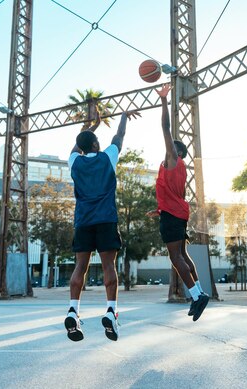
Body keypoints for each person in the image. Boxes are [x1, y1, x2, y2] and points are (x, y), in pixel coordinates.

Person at [64, 106, 140, 342]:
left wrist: (92, 127)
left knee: (80, 267)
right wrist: (124, 117)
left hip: (83, 221)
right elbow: (119, 137)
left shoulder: (74, 162)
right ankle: (110, 311)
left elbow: (77, 145)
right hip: (106, 220)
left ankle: (73, 311)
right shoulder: (108, 157)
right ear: (96, 145)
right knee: (109, 267)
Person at [147, 83, 209, 321]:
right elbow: (172, 194)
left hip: (173, 215)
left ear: (176, 151)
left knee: (176, 258)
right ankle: (199, 292)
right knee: (183, 254)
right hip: (175, 213)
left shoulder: (173, 160)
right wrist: (160, 209)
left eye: (171, 147)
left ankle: (196, 295)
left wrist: (164, 100)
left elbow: (165, 127)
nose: (167, 149)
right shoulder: (175, 168)